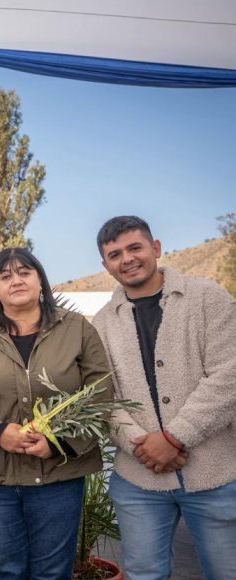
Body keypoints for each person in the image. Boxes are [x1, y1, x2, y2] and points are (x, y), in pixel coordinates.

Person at [0, 247, 110, 579]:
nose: (15, 280)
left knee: (52, 572)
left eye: (24, 272)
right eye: (5, 276)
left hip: (59, 478)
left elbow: (100, 391)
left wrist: (59, 441)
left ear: (40, 280)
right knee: (7, 571)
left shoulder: (76, 328)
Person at [91, 216, 236, 579]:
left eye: (135, 247)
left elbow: (228, 375)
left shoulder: (208, 298)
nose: (127, 258)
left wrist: (174, 438)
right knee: (143, 573)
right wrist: (142, 445)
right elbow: (101, 396)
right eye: (115, 254)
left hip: (215, 475)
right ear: (105, 265)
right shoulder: (101, 323)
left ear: (155, 248)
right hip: (138, 480)